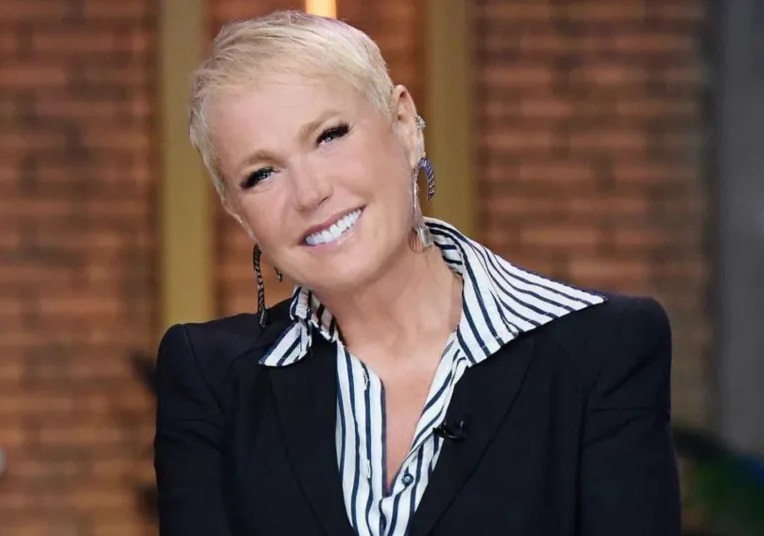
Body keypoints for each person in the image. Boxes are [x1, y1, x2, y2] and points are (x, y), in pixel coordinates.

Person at [153, 10, 680, 536]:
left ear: (405, 125)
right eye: (262, 174)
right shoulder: (210, 378)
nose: (310, 193)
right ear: (237, 211)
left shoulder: (603, 349)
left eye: (329, 135)